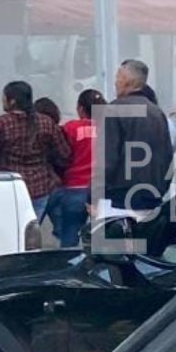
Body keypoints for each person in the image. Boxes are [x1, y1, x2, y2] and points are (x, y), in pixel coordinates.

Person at [0, 81, 71, 219]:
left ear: (12, 101)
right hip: (41, 187)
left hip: (10, 189)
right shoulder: (46, 122)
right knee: (31, 230)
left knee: (14, 231)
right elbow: (64, 155)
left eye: (4, 97)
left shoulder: (0, 124)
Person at [102, 60, 174, 214]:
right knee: (146, 236)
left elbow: (108, 158)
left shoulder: (115, 109)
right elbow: (167, 156)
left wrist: (92, 195)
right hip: (152, 195)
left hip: (120, 198)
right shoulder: (156, 112)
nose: (115, 82)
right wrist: (162, 188)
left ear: (128, 80)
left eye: (118, 76)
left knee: (119, 236)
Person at [47, 89, 105, 247]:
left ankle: (69, 267)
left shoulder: (71, 128)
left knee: (70, 237)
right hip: (102, 190)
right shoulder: (110, 128)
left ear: (80, 109)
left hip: (74, 188)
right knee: (103, 239)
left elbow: (61, 155)